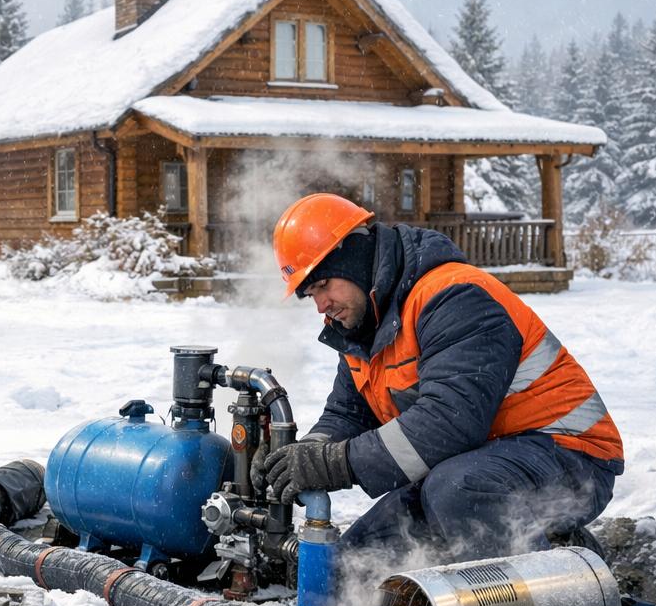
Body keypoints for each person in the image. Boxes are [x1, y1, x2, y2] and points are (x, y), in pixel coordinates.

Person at [253, 193, 623, 563]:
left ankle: (550, 597)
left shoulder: (454, 296)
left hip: (570, 458)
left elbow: (450, 423)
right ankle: (550, 544)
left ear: (355, 260)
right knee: (351, 568)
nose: (321, 305)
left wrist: (336, 463)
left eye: (325, 284)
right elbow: (350, 414)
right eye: (310, 295)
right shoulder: (361, 323)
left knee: (459, 492)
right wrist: (302, 456)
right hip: (471, 462)